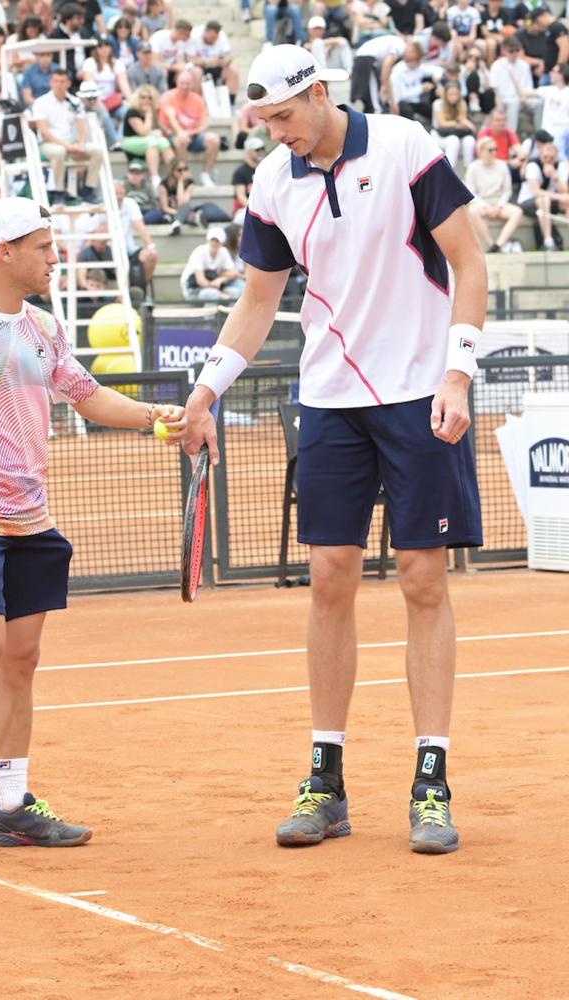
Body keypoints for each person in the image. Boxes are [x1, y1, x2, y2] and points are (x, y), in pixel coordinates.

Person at [183, 46, 487, 856]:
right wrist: (207, 388)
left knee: (423, 579)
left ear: (318, 95)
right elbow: (258, 302)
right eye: (264, 122)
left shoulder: (405, 147)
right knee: (328, 577)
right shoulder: (274, 183)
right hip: (329, 400)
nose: (276, 133)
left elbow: (470, 261)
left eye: (284, 116)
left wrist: (457, 375)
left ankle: (431, 779)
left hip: (422, 390)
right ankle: (327, 777)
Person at [0, 196, 185, 860]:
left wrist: (158, 419)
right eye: (44, 247)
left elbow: (87, 396)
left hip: (31, 519)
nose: (55, 257)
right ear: (3, 252)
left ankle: (11, 803)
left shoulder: (45, 327)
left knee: (20, 660)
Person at [30, 68, 103, 203]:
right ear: (51, 82)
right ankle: (59, 191)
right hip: (49, 144)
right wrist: (67, 146)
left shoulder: (75, 102)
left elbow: (81, 129)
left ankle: (88, 188)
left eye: (62, 81)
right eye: (56, 81)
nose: (59, 85)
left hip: (71, 142)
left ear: (68, 83)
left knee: (97, 151)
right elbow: (44, 132)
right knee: (59, 152)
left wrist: (80, 144)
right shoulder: (41, 102)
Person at [158, 69, 221, 187]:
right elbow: (171, 119)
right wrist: (181, 133)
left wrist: (190, 132)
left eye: (187, 83)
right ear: (176, 82)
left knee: (214, 139)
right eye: (182, 83)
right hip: (173, 134)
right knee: (181, 140)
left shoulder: (197, 99)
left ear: (192, 84)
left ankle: (205, 174)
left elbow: (204, 124)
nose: (184, 86)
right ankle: (184, 176)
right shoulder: (168, 97)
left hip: (192, 134)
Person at [464, 135, 524, 253]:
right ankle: (490, 243)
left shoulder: (502, 166)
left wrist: (499, 206)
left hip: (498, 202)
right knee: (472, 211)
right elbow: (471, 192)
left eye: (495, 149)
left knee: (517, 212)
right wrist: (485, 206)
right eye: (490, 150)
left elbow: (507, 190)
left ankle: (499, 244)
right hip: (481, 202)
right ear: (480, 151)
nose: (494, 152)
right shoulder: (472, 168)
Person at [180, 224, 244, 302]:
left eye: (217, 241)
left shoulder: (223, 251)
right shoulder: (199, 252)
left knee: (235, 292)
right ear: (208, 240)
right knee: (212, 294)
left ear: (222, 242)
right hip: (194, 290)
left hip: (215, 286)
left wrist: (220, 279)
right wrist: (220, 293)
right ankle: (210, 314)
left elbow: (234, 273)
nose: (214, 243)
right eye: (212, 240)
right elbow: (200, 280)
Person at [114, 178, 157, 289]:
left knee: (151, 256)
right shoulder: (103, 206)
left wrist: (150, 246)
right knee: (121, 263)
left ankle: (143, 290)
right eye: (116, 193)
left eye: (121, 193)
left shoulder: (130, 203)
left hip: (129, 248)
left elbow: (139, 226)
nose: (119, 196)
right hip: (111, 249)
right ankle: (126, 295)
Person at [231, 135, 265, 225]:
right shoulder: (241, 172)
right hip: (245, 209)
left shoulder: (265, 170)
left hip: (263, 209)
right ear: (249, 152)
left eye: (262, 149)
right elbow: (241, 196)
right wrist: (255, 210)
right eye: (257, 150)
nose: (261, 152)